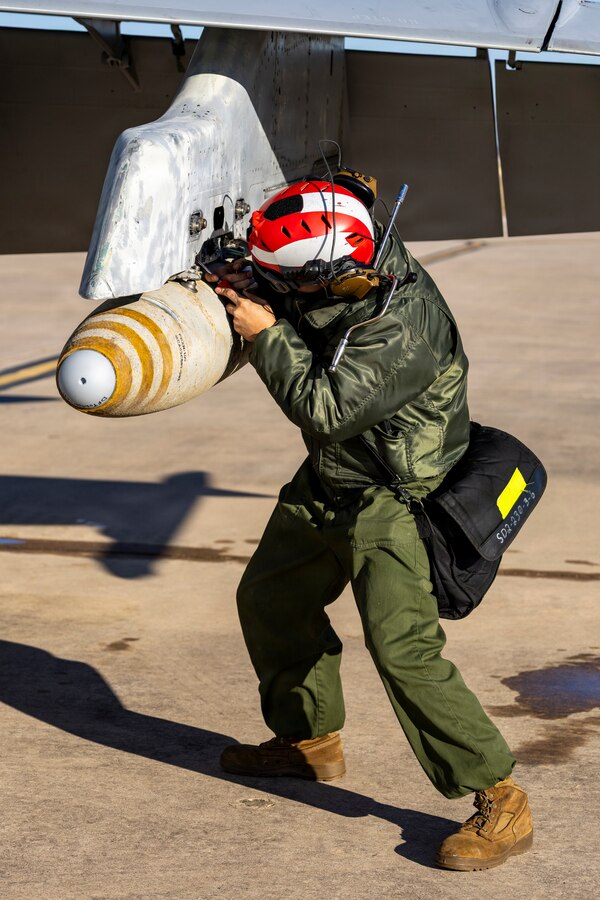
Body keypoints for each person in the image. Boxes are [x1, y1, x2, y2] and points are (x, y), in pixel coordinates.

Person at [207, 176, 533, 871]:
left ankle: (499, 795)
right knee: (271, 598)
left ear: (336, 275)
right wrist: (258, 276)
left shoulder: (400, 327)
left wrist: (266, 331)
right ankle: (309, 742)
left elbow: (325, 405)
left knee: (402, 649)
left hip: (392, 497)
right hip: (332, 476)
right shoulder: (354, 246)